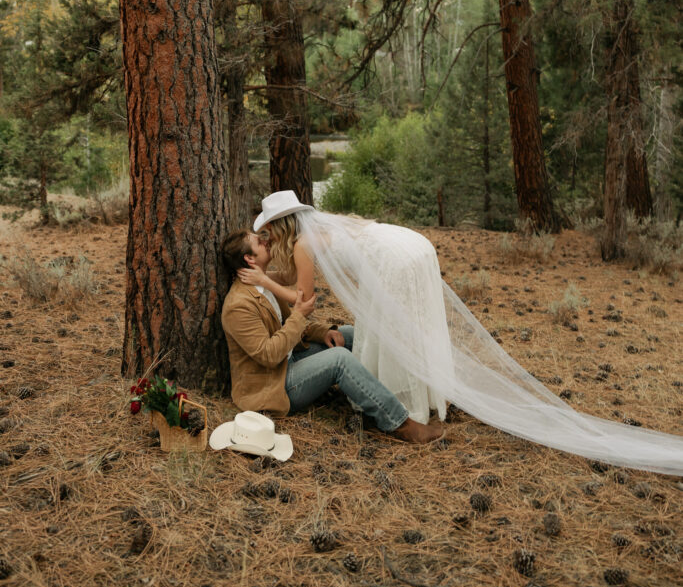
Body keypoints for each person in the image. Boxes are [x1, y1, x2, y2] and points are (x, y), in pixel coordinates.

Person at [237, 190, 683, 477]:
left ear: (279, 227)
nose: (268, 240)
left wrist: (264, 283)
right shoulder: (325, 226)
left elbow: (303, 299)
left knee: (384, 330)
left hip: (395, 262)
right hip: (410, 245)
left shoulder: (301, 244)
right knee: (388, 330)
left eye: (267, 232)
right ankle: (427, 397)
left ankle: (407, 412)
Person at [220, 228, 444, 444]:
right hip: (275, 385)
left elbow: (291, 326)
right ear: (249, 259)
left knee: (349, 334)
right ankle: (400, 424)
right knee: (339, 359)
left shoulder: (263, 284)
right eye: (259, 241)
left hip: (291, 359)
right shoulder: (238, 305)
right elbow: (269, 355)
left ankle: (401, 390)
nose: (266, 240)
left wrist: (324, 332)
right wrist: (298, 314)